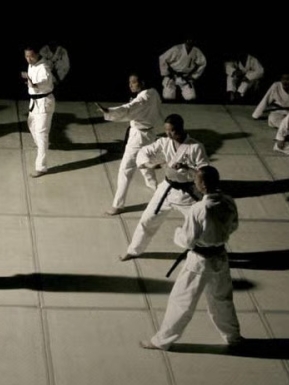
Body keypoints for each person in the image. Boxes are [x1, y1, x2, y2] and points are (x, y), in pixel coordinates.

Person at [141, 166, 243, 350]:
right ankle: (233, 337)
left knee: (182, 301)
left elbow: (187, 240)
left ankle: (162, 340)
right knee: (222, 300)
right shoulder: (228, 201)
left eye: (196, 180)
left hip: (200, 261)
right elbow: (234, 226)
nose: (194, 183)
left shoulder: (199, 209)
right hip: (220, 257)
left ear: (203, 185)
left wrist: (177, 232)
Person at [122, 114, 209, 260]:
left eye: (172, 131)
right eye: (166, 130)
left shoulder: (196, 147)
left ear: (181, 128)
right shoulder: (164, 142)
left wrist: (187, 168)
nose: (168, 134)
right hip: (166, 190)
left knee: (201, 224)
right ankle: (134, 250)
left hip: (187, 194)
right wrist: (150, 164)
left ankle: (206, 252)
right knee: (147, 220)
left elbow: (205, 172)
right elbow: (144, 152)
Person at [96, 74, 163, 215]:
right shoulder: (153, 92)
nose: (130, 85)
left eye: (133, 82)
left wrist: (108, 111)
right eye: (129, 82)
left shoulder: (142, 100)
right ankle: (155, 187)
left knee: (126, 169)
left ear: (143, 82)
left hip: (138, 137)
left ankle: (118, 205)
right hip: (150, 133)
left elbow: (128, 109)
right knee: (145, 161)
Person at [22, 45, 55, 177]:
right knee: (31, 125)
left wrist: (33, 84)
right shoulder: (32, 65)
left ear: (37, 55)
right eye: (26, 56)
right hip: (34, 102)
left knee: (41, 134)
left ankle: (41, 167)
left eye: (31, 56)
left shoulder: (44, 68)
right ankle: (42, 147)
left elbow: (43, 82)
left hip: (44, 103)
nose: (28, 59)